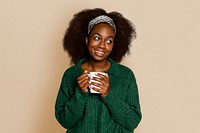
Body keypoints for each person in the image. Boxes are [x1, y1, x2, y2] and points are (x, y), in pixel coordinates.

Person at [55, 8, 142, 133]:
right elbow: (64, 121)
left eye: (109, 41)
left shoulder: (125, 75)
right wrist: (80, 93)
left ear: (114, 45)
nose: (102, 45)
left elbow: (133, 121)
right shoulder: (71, 75)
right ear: (86, 40)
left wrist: (108, 95)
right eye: (97, 38)